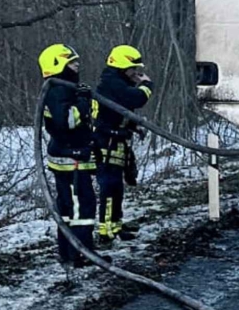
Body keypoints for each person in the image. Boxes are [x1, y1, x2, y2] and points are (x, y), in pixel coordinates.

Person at [38, 43, 108, 268]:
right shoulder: (59, 90)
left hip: (70, 156)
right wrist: (83, 101)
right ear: (58, 64)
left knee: (69, 207)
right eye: (72, 62)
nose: (78, 66)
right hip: (71, 160)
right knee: (81, 207)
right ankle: (81, 254)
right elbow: (67, 121)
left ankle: (69, 252)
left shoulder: (62, 88)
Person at [93, 44, 155, 245]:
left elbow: (122, 109)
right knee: (109, 186)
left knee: (117, 186)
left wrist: (134, 126)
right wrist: (147, 86)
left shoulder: (116, 83)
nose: (135, 73)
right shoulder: (112, 84)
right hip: (106, 143)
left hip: (116, 141)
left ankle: (116, 225)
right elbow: (135, 99)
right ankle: (105, 230)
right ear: (121, 66)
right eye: (132, 69)